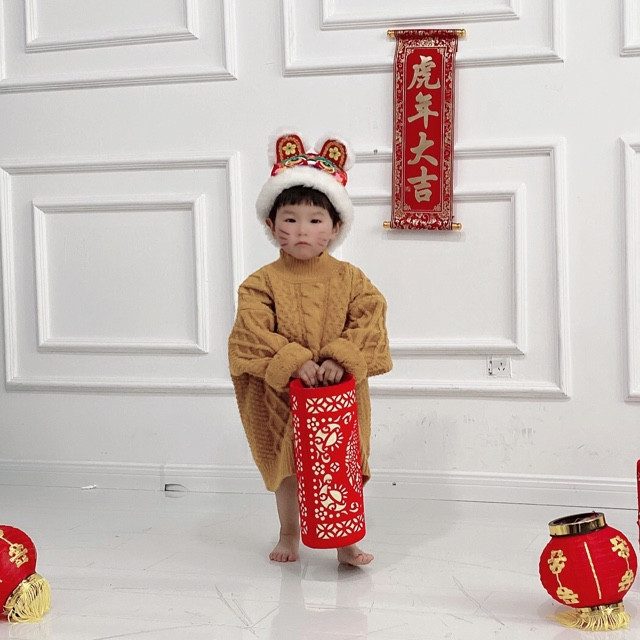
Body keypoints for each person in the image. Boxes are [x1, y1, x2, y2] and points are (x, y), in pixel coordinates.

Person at [228, 131, 392, 566]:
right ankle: (289, 534)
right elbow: (251, 333)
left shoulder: (351, 279)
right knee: (289, 468)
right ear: (271, 224)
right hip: (284, 394)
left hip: (340, 394)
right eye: (291, 218)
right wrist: (295, 361)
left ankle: (346, 543)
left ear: (336, 228)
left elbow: (370, 319)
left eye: (316, 220)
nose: (303, 229)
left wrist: (342, 357)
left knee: (341, 464)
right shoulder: (260, 283)